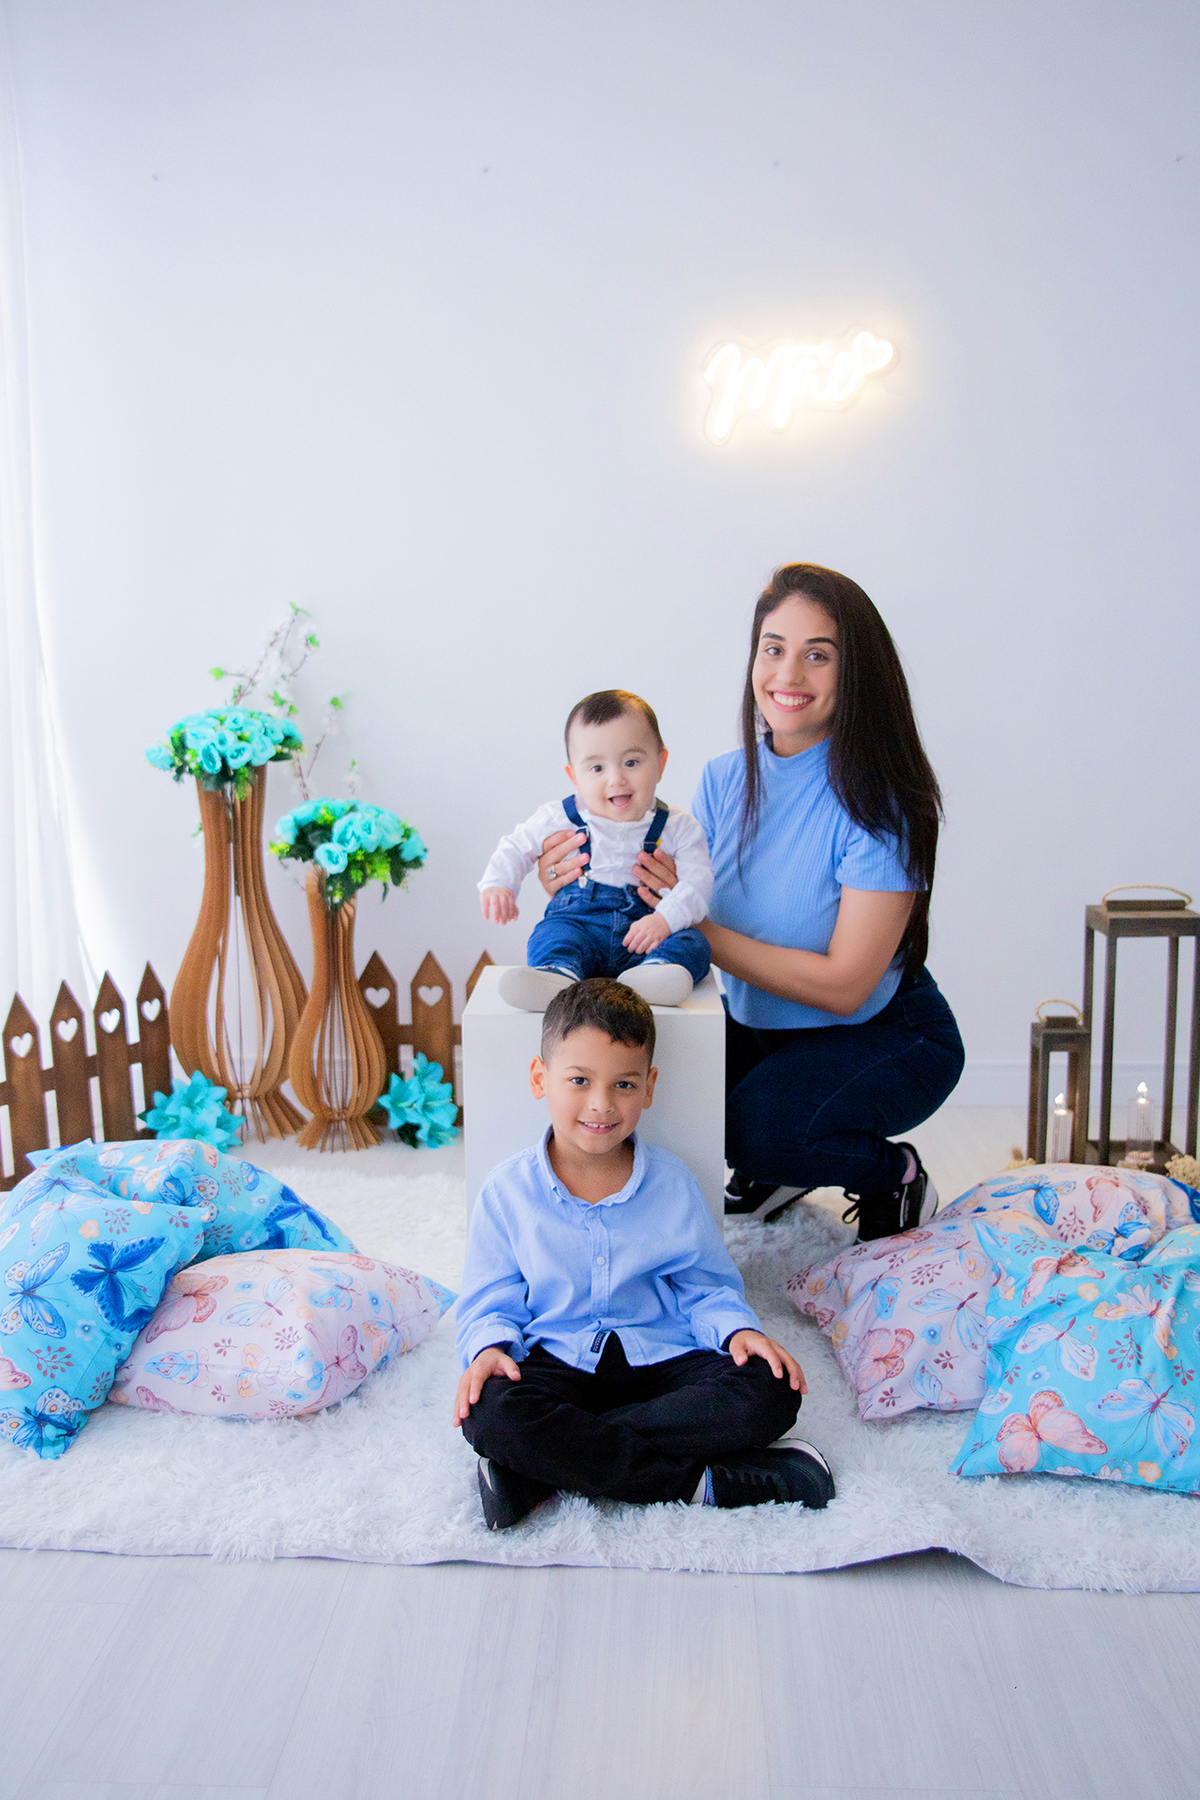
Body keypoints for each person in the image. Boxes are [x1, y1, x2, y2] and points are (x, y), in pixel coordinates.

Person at [533, 564, 965, 1240]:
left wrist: (692, 923)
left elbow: (848, 987)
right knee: (652, 1080)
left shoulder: (881, 806)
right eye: (774, 648)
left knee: (758, 1130)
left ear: (857, 674)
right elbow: (653, 894)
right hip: (761, 1022)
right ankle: (778, 1159)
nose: (787, 675)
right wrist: (581, 885)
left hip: (884, 1031)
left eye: (817, 654)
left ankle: (896, 1175)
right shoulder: (725, 778)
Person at [453, 978, 835, 1530]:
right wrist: (489, 1347)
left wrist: (736, 1332)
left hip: (659, 1358)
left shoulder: (673, 1183)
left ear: (649, 1087)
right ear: (541, 1079)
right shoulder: (506, 1191)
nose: (601, 1104)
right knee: (491, 1412)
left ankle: (542, 1468)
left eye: (624, 1084)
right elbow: (492, 1296)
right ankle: (701, 1484)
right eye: (579, 1080)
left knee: (769, 1390)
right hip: (555, 1360)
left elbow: (704, 1286)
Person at [478, 688, 712, 1010]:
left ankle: (656, 974)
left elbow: (699, 883)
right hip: (579, 924)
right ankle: (557, 974)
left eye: (631, 762)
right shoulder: (559, 817)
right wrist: (498, 884)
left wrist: (665, 920)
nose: (616, 779)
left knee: (694, 943)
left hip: (646, 934)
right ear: (574, 777)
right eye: (597, 768)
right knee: (552, 934)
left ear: (661, 762)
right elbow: (516, 846)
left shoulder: (678, 826)